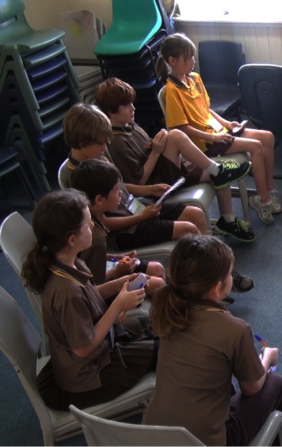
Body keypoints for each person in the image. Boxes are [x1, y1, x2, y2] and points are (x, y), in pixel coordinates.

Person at [62, 103, 255, 294]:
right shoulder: (78, 177)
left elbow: (118, 185)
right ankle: (213, 281)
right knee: (189, 229)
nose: (105, 147)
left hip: (137, 209)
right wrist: (142, 216)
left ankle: (216, 273)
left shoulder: (98, 157)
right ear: (82, 142)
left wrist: (148, 189)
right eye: (101, 143)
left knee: (195, 214)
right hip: (125, 229)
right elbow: (103, 224)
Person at [143, 235, 282, 447]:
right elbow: (252, 387)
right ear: (217, 288)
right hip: (207, 443)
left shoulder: (168, 313)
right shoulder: (235, 329)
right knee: (275, 384)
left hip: (154, 436)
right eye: (230, 274)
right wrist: (267, 360)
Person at [21, 189, 157, 411]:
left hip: (99, 352)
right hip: (91, 375)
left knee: (157, 324)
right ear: (72, 239)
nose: (93, 226)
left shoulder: (67, 262)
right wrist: (118, 305)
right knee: (164, 351)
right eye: (87, 224)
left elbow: (91, 294)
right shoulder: (66, 292)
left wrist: (120, 283)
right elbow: (82, 349)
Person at [95, 77, 255, 242]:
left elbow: (145, 152)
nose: (133, 108)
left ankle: (228, 220)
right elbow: (140, 180)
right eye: (127, 105)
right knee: (176, 136)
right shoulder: (117, 142)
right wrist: (157, 151)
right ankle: (216, 170)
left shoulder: (130, 125)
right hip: (155, 183)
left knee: (220, 175)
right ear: (112, 112)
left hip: (164, 170)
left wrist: (157, 143)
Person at [156, 33, 282, 225]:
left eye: (193, 56)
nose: (193, 61)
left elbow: (206, 110)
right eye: (188, 57)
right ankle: (262, 201)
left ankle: (270, 191)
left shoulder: (195, 79)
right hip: (205, 142)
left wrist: (227, 124)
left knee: (268, 137)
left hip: (218, 133)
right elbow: (182, 128)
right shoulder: (172, 91)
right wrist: (214, 138)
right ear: (172, 61)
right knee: (256, 146)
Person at [72, 159, 166, 292]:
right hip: (96, 293)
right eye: (116, 191)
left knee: (157, 268)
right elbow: (93, 286)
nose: (121, 193)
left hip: (102, 270)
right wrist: (117, 271)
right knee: (157, 284)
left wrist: (115, 257)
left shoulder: (91, 215)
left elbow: (85, 259)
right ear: (99, 199)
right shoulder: (95, 236)